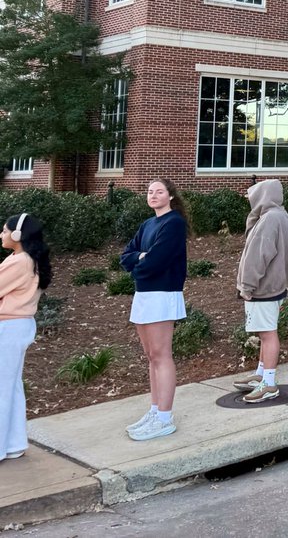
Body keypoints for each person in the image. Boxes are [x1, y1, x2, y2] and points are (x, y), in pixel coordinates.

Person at [121, 179, 189, 440]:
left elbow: (158, 261)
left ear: (170, 196)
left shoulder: (174, 223)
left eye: (159, 191)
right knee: (151, 356)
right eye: (150, 192)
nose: (154, 195)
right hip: (144, 294)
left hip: (163, 294)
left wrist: (140, 260)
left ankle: (164, 417)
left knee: (162, 355)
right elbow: (126, 255)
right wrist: (140, 257)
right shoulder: (147, 225)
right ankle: (154, 409)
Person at [233, 179, 288, 404]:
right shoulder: (281, 216)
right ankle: (261, 374)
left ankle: (268, 383)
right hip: (275, 285)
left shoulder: (269, 219)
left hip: (263, 287)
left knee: (268, 334)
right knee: (264, 332)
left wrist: (247, 286)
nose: (251, 201)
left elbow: (258, 255)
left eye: (253, 196)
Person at [0, 213, 50, 461]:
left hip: (7, 327)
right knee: (11, 386)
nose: (1, 235)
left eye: (5, 231)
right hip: (18, 326)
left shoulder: (20, 262)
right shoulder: (27, 259)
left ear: (17, 235)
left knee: (2, 387)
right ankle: (14, 443)